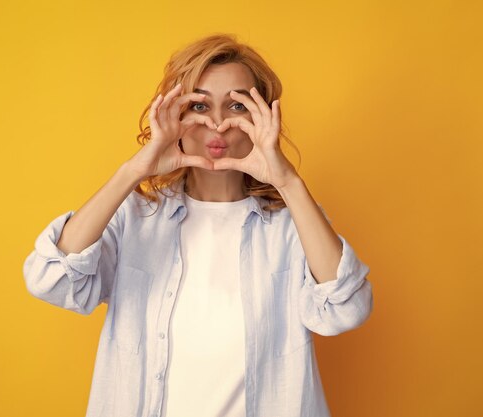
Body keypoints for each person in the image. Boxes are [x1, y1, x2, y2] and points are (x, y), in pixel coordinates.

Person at [23, 33, 373, 417]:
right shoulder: (136, 218)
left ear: (264, 117)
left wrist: (287, 181)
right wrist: (134, 169)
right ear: (175, 114)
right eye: (200, 105)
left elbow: (348, 309)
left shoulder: (291, 224)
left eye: (237, 105)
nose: (218, 124)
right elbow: (51, 279)